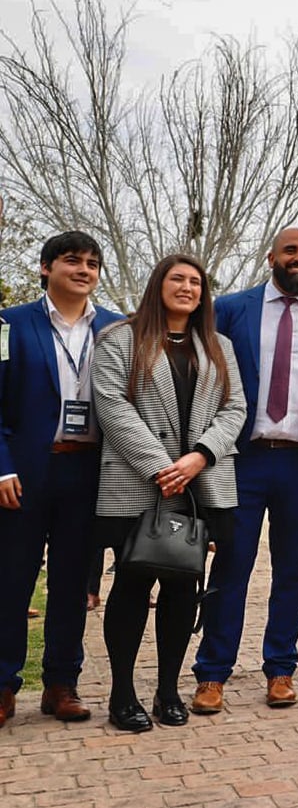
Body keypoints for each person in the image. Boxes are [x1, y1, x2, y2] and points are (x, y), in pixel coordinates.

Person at [189, 228, 298, 713]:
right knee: (232, 565)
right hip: (243, 459)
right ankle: (212, 674)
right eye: (291, 251)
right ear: (271, 258)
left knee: (292, 570)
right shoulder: (233, 310)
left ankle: (281, 669)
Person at [92, 254, 248, 732]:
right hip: (138, 482)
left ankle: (166, 690)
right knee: (132, 585)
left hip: (201, 484)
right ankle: (122, 693)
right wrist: (162, 467)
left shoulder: (217, 345)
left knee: (184, 587)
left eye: (195, 282)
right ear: (158, 285)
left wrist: (200, 456)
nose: (186, 287)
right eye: (177, 278)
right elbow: (111, 405)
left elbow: (235, 407)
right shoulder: (120, 338)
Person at [0, 232, 122, 728]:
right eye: (73, 261)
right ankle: (4, 685)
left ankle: (61, 685)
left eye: (93, 263)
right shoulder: (9, 324)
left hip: (88, 471)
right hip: (24, 473)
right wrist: (1, 464)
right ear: (46, 268)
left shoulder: (117, 328)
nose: (85, 270)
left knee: (74, 585)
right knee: (11, 581)